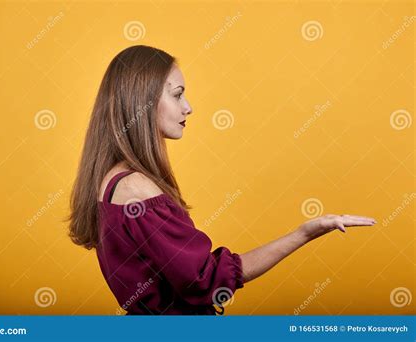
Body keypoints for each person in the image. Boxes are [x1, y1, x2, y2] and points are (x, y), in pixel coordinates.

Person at [67, 45, 376, 315]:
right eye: (177, 95)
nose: (189, 107)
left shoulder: (109, 181)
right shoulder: (137, 189)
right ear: (141, 102)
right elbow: (208, 281)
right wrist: (304, 233)